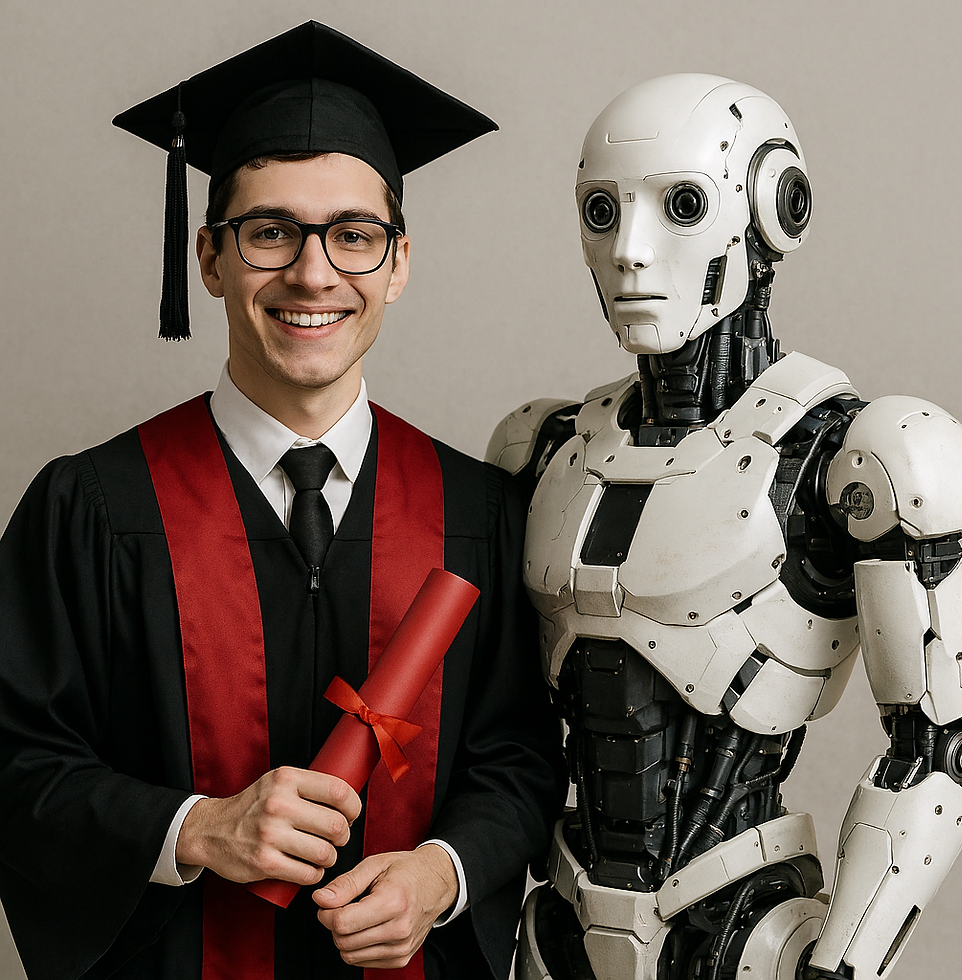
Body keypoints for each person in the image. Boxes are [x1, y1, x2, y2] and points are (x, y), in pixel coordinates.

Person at [0, 21, 564, 980]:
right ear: (212, 259)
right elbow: (14, 762)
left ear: (398, 265)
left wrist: (441, 875)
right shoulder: (93, 508)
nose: (313, 273)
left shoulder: (480, 510)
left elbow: (521, 754)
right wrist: (195, 828)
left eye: (353, 235)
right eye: (271, 233)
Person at [488, 74, 962, 980]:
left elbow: (941, 749)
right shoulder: (545, 447)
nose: (631, 251)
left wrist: (846, 963)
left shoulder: (859, 456)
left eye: (680, 206)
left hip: (741, 923)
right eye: (602, 211)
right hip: (552, 918)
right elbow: (493, 724)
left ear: (772, 211)